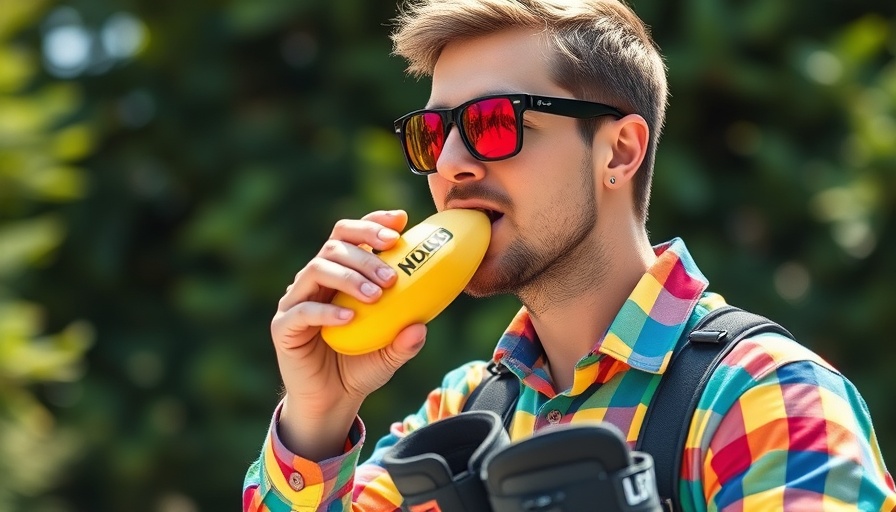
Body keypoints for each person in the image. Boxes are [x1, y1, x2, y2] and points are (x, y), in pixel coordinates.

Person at [242, 0, 896, 510]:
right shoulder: (458, 416)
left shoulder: (763, 397)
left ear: (619, 152)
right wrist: (318, 417)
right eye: (432, 134)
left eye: (494, 123)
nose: (449, 165)